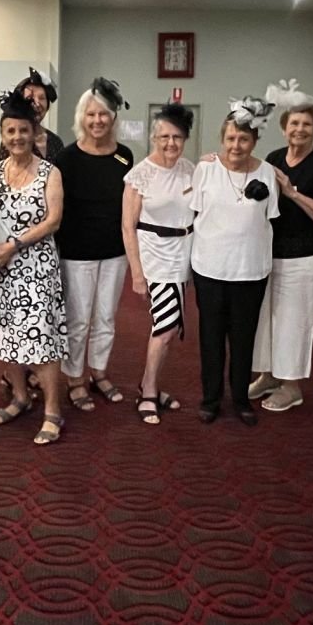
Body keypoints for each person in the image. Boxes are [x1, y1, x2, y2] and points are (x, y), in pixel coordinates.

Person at [0, 89, 68, 444]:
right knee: (6, 337)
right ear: (2, 135)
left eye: (24, 130)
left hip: (34, 267)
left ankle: (53, 411)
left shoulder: (50, 172)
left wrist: (16, 244)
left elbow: (53, 221)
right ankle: (20, 396)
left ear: (35, 134)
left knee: (40, 338)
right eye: (10, 131)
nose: (17, 137)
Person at [248, 83, 313, 413]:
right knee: (265, 319)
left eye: (306, 124)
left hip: (303, 257)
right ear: (284, 126)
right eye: (294, 123)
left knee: (293, 322)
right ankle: (268, 375)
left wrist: (293, 193)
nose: (299, 129)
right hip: (269, 255)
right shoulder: (273, 158)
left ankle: (292, 386)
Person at [190, 97, 281, 426]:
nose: (236, 145)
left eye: (244, 139)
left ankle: (241, 399)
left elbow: (270, 217)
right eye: (230, 138)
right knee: (211, 337)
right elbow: (195, 214)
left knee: (244, 337)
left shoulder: (268, 172)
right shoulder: (205, 169)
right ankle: (211, 398)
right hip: (210, 268)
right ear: (222, 139)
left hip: (251, 270)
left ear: (254, 140)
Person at [54, 78, 134, 411]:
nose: (97, 121)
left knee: (106, 318)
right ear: (81, 118)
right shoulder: (67, 158)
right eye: (91, 115)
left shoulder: (124, 157)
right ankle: (74, 378)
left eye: (104, 115)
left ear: (113, 118)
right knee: (78, 320)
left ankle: (98, 372)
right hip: (76, 253)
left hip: (115, 252)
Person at [121, 103, 195, 424]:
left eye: (177, 137)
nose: (170, 143)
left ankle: (149, 383)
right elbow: (127, 226)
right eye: (163, 136)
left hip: (184, 255)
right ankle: (148, 390)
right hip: (155, 257)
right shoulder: (140, 174)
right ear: (153, 137)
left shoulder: (192, 169)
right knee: (164, 328)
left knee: (172, 325)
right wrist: (136, 272)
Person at [0, 67, 65, 162]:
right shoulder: (14, 139)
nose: (37, 103)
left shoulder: (55, 141)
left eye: (42, 98)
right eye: (30, 97)